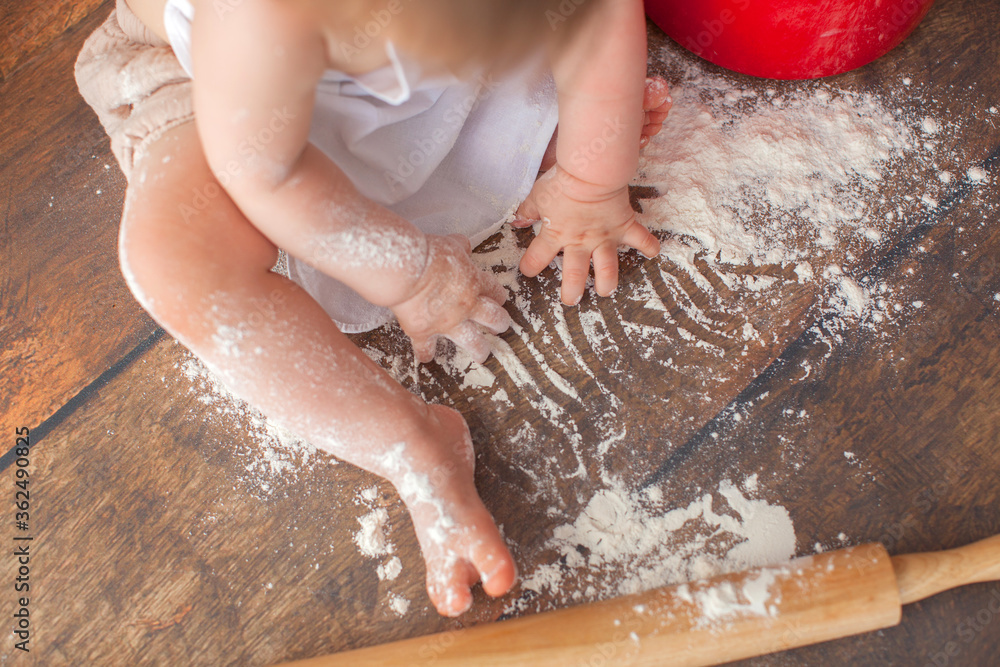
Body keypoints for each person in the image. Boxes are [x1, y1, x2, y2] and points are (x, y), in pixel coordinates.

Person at [75, 0, 671, 616]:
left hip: (444, 73)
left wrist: (591, 179)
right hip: (231, 105)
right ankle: (409, 444)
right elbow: (268, 175)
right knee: (178, 264)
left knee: (575, 73)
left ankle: (506, 122)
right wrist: (409, 273)